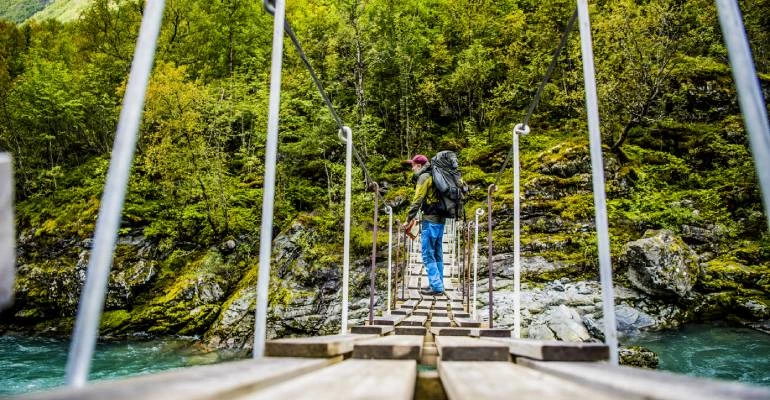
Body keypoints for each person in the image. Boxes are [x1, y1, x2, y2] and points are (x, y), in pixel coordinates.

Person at [403, 154, 446, 296]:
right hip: (441, 219)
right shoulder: (438, 174)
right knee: (437, 252)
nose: (412, 169)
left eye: (413, 166)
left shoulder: (424, 177)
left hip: (430, 220)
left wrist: (409, 219)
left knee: (428, 254)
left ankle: (436, 287)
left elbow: (418, 199)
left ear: (419, 166)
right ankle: (438, 283)